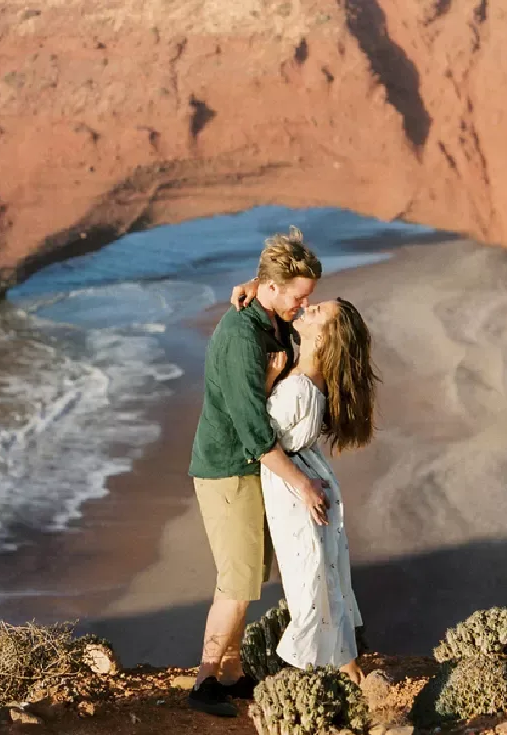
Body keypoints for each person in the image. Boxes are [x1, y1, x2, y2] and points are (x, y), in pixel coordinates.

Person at [186, 226, 327, 717]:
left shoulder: (265, 314)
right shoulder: (242, 337)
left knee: (249, 573)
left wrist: (257, 284)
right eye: (298, 298)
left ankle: (230, 674)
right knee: (237, 578)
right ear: (272, 289)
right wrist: (303, 483)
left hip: (246, 468)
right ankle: (204, 682)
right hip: (229, 468)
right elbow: (254, 434)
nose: (303, 307)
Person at [260, 297, 377, 684]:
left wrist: (263, 383)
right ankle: (345, 665)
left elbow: (259, 436)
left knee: (308, 578)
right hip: (307, 479)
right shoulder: (308, 379)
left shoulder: (298, 389)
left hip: (294, 489)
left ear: (324, 339)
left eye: (317, 313)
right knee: (321, 573)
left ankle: (320, 672)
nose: (307, 308)